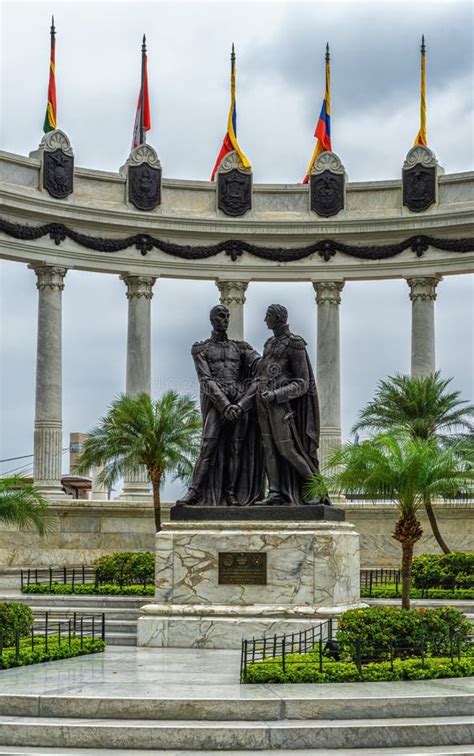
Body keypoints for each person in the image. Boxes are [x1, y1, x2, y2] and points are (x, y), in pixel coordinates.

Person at [176, 305, 264, 507]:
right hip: (217, 404)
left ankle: (231, 493)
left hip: (239, 401)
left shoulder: (241, 348)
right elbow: (205, 380)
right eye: (220, 316)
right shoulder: (201, 349)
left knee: (236, 449)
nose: (224, 320)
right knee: (208, 446)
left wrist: (241, 404)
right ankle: (194, 491)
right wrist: (225, 406)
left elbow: (261, 366)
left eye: (227, 316)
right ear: (212, 320)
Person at [255, 304, 327, 506]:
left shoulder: (295, 344)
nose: (264, 321)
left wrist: (277, 394)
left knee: (287, 450)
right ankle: (275, 492)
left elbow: (302, 383)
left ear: (277, 318)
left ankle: (316, 490)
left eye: (267, 316)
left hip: (280, 406)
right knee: (268, 448)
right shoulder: (269, 343)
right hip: (262, 403)